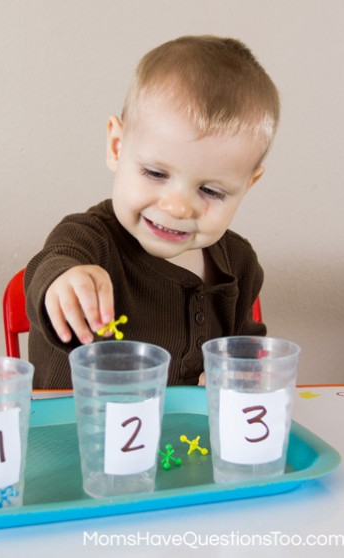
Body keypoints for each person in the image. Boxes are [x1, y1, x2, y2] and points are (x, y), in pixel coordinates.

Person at [24, 35, 280, 389]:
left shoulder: (240, 262)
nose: (176, 207)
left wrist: (244, 374)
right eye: (156, 174)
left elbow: (244, 347)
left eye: (210, 190)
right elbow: (52, 264)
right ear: (117, 146)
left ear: (247, 185)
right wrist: (64, 283)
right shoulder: (89, 239)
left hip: (187, 439)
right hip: (74, 434)